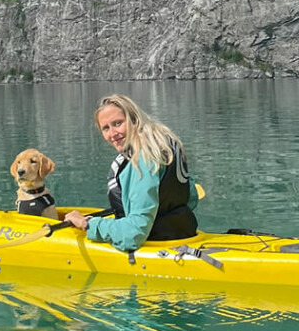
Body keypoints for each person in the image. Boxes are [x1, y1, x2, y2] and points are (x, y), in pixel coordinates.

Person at [64, 94, 198, 251]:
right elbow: (192, 197)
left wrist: (86, 224)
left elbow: (134, 234)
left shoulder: (142, 160)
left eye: (118, 123)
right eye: (106, 128)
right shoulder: (164, 144)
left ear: (134, 119)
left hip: (155, 243)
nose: (113, 134)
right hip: (185, 233)